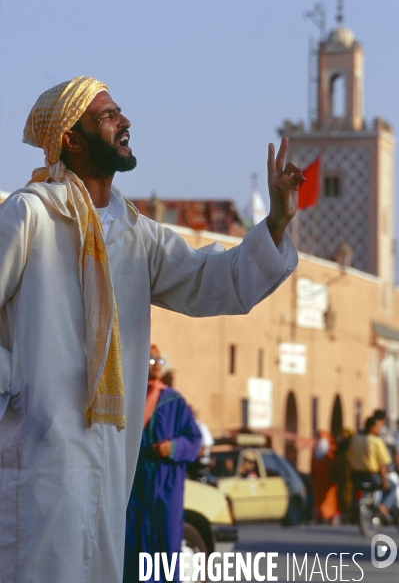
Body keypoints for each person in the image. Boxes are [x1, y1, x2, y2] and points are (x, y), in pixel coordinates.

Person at [0, 76, 303, 583]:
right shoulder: (31, 214)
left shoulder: (137, 235)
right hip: (40, 464)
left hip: (110, 468)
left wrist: (275, 223)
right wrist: (16, 387)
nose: (125, 122)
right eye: (108, 116)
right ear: (71, 140)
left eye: (120, 112)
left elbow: (218, 280)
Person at [124, 344, 201, 582]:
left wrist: (173, 447)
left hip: (166, 486)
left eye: (159, 361)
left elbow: (194, 440)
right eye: (150, 361)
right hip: (135, 486)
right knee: (132, 547)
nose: (155, 365)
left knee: (165, 545)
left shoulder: (174, 402)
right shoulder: (129, 396)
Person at [348, 416, 396, 521]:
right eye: (378, 427)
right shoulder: (376, 441)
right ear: (372, 427)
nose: (379, 430)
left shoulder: (355, 439)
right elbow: (382, 465)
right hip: (372, 475)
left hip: (356, 476)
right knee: (393, 486)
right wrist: (384, 482)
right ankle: (384, 507)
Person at [310, 431, 339, 524]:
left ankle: (330, 517)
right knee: (319, 500)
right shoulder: (317, 452)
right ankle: (319, 516)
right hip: (319, 481)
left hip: (328, 481)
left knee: (329, 499)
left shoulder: (330, 451)